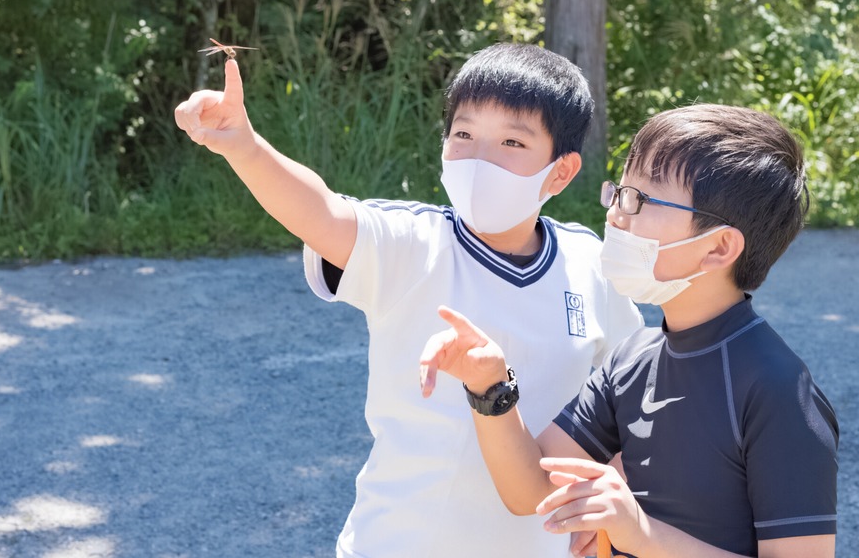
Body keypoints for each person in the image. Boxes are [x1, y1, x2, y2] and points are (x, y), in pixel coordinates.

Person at [174, 42, 643, 558]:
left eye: (511, 141)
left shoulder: (587, 263)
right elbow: (323, 213)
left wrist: (609, 495)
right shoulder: (412, 242)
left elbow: (632, 400)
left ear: (561, 171)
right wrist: (243, 145)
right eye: (463, 134)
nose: (480, 158)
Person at [419, 104, 839, 558]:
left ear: (719, 246)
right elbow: (533, 489)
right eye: (620, 192)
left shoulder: (777, 389)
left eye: (642, 200)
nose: (617, 215)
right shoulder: (633, 358)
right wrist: (490, 386)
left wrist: (639, 533)